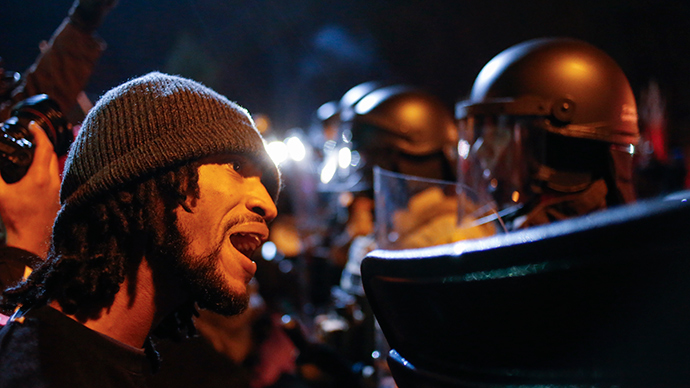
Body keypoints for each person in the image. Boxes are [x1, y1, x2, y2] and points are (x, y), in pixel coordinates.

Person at [0, 71, 281, 387]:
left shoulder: (164, 368)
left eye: (265, 183)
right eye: (237, 166)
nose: (268, 204)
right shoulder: (37, 372)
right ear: (147, 178)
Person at [456, 37, 640, 230]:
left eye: (500, 135)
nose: (480, 150)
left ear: (558, 147)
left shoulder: (596, 247)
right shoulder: (529, 227)